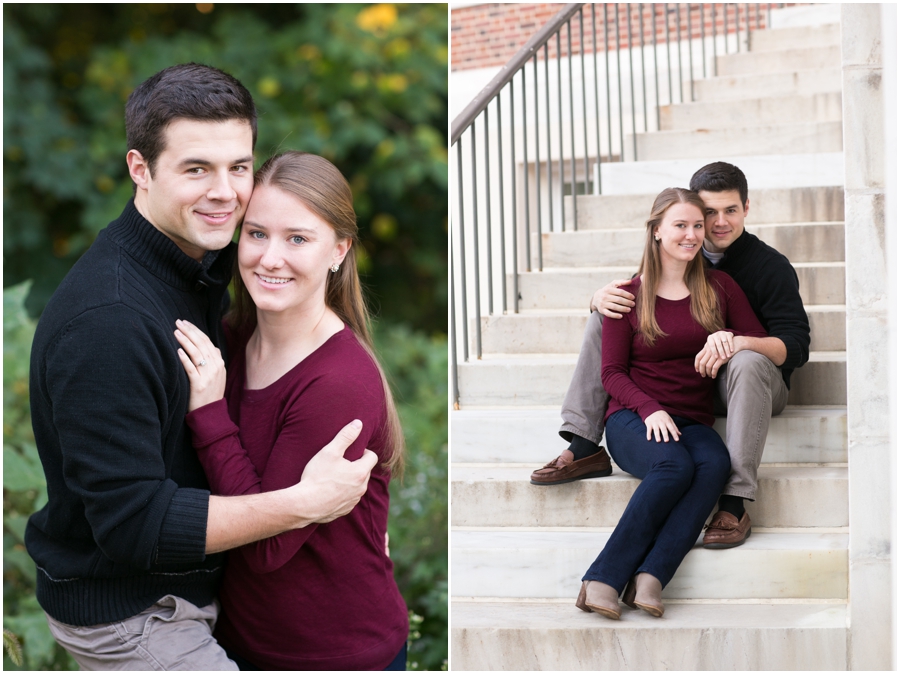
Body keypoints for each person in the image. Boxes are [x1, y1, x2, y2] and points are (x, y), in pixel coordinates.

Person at [26, 64, 377, 671]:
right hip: (135, 614)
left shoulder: (207, 266)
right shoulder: (109, 321)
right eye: (196, 169)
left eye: (238, 167)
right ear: (141, 169)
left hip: (208, 596)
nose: (225, 192)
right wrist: (307, 502)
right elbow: (134, 526)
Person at [173, 151, 409, 670]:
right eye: (256, 234)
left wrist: (211, 412)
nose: (269, 257)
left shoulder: (338, 381)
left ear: (339, 251)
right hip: (240, 642)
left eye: (297, 239)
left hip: (337, 654)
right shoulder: (231, 340)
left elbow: (265, 549)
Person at [532, 162, 810, 549]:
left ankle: (735, 502)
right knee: (607, 313)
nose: (718, 223)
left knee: (746, 363)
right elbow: (641, 312)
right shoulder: (682, 252)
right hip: (692, 381)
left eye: (730, 210)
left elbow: (795, 347)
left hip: (754, 382)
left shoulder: (770, 267)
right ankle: (584, 444)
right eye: (708, 213)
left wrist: (740, 341)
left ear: (747, 208)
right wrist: (596, 300)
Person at [575, 188, 768, 619]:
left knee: (715, 464)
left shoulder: (720, 287)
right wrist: (649, 408)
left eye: (697, 226)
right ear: (657, 231)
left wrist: (734, 339)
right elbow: (611, 374)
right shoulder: (626, 295)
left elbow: (764, 341)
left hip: (692, 419)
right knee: (674, 466)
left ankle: (652, 577)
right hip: (631, 418)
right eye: (681, 225)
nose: (692, 234)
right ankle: (602, 579)